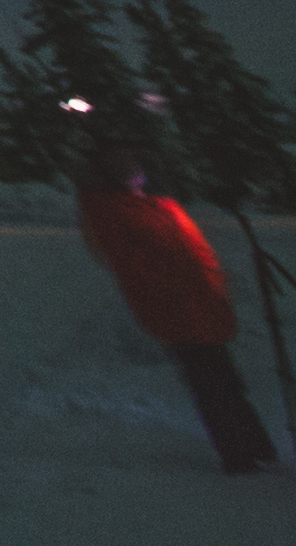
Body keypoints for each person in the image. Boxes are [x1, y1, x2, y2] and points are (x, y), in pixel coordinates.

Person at [76, 155, 278, 477]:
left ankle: (256, 448)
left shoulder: (156, 206)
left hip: (198, 303)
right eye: (131, 175)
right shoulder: (113, 213)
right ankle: (239, 456)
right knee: (210, 384)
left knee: (225, 380)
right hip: (176, 309)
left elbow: (192, 248)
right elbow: (137, 267)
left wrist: (212, 284)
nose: (138, 179)